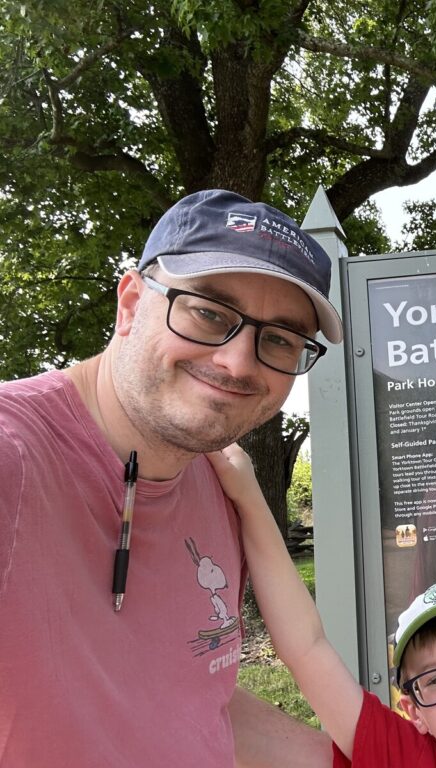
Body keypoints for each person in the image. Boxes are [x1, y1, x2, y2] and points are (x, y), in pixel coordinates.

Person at [0, 190, 342, 767]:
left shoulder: (218, 482)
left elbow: (193, 695)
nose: (238, 362)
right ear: (131, 303)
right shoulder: (15, 458)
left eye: (279, 339)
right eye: (208, 311)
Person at [209, 442, 436, 768]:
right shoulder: (401, 758)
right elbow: (306, 649)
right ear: (413, 711)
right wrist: (249, 498)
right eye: (433, 679)